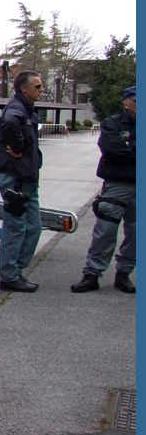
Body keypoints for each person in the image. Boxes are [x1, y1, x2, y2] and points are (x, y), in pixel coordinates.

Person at [71, 86, 136, 293]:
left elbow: (123, 151)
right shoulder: (112, 124)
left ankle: (124, 273)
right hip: (117, 185)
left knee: (136, 233)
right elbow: (112, 150)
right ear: (127, 103)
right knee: (105, 231)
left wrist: (128, 148)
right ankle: (92, 274)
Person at [0, 69, 45, 292]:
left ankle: (17, 270)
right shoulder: (16, 109)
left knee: (34, 227)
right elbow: (9, 123)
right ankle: (9, 277)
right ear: (24, 88)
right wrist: (18, 146)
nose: (42, 90)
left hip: (27, 179)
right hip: (16, 179)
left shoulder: (27, 111)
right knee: (16, 228)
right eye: (38, 86)